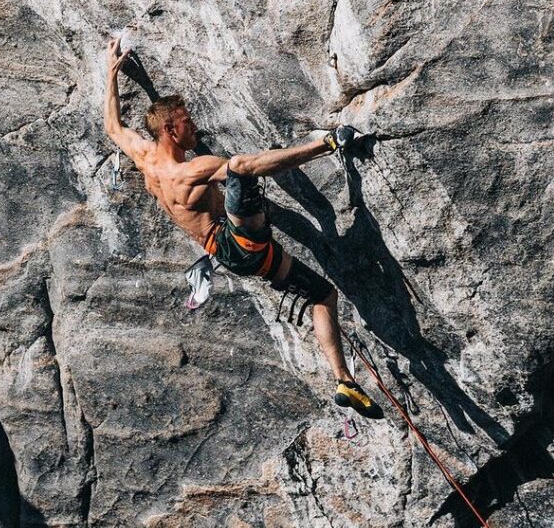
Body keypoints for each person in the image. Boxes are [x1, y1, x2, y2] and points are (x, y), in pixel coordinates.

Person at [102, 37, 383, 420]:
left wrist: (111, 72)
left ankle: (344, 380)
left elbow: (113, 125)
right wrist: (326, 146)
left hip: (235, 257)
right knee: (241, 168)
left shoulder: (147, 160)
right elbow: (245, 166)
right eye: (187, 121)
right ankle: (329, 143)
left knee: (323, 294)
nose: (195, 126)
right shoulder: (191, 171)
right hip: (238, 242)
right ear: (170, 129)